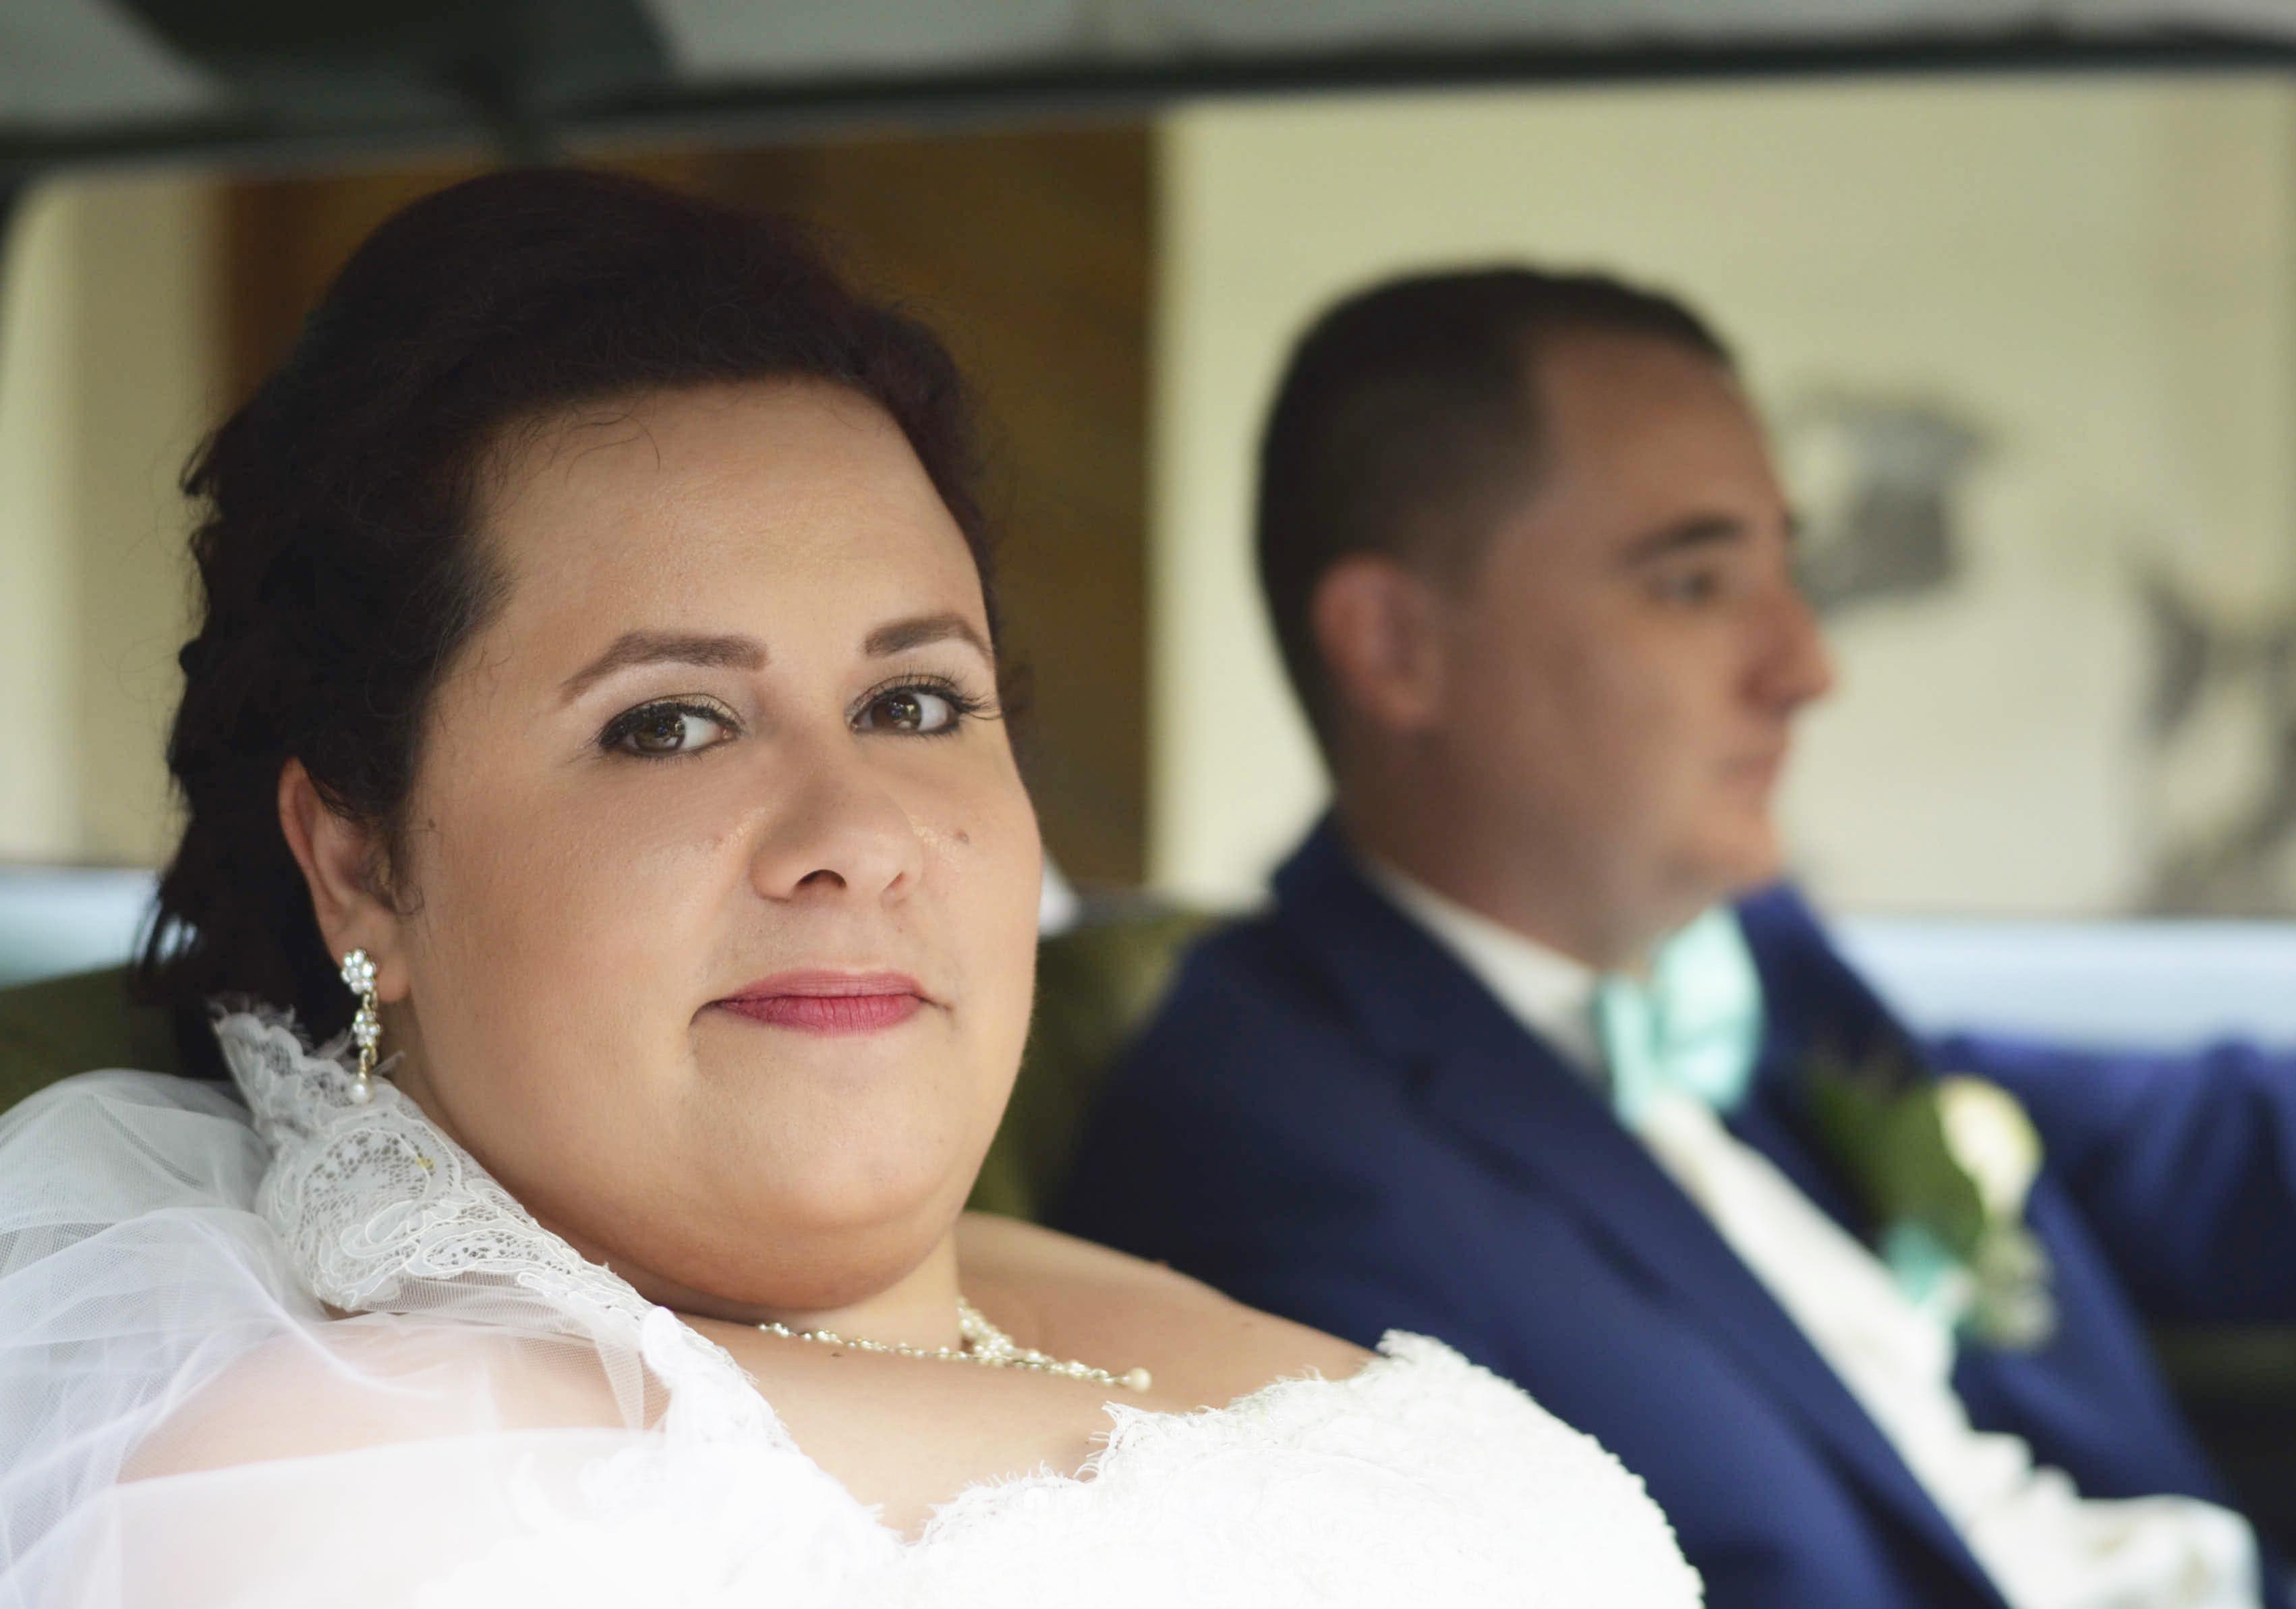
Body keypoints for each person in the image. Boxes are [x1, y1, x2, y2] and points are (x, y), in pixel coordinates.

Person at [0, 181, 1705, 1609]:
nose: (857, 831)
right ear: (360, 861)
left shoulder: (1043, 1287)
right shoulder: (339, 1501)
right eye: (669, 723)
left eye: (914, 701)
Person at [1052, 268, 2296, 1609]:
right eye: (1696, 582)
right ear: (1394, 645)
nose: (1806, 667)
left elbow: (2194, 1157)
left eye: (1790, 569)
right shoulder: (1258, 1158)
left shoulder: (1752, 966)